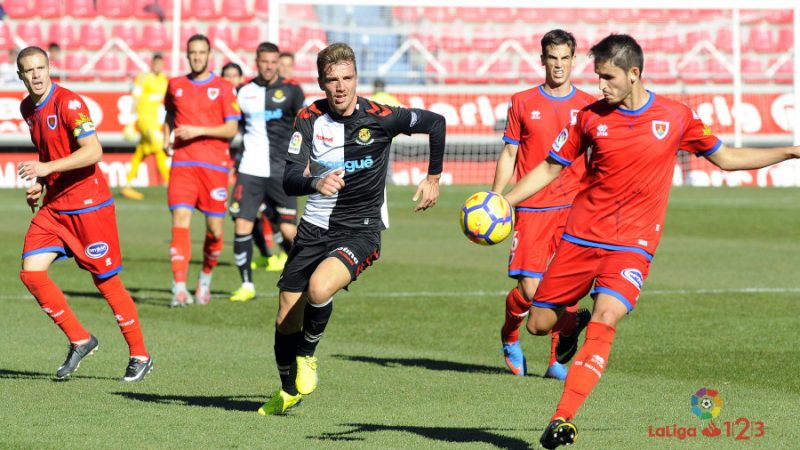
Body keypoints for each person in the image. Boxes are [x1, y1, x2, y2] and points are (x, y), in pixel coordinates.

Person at [501, 34, 800, 449]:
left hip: (632, 246)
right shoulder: (588, 118)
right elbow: (551, 167)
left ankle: (562, 418)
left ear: (634, 73)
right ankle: (571, 324)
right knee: (539, 324)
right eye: (598, 76)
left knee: (606, 317)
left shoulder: (676, 117)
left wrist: (790, 151)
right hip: (580, 239)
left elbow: (727, 158)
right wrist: (504, 201)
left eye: (608, 77)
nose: (600, 85)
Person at [258, 42, 445, 415]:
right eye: (332, 80)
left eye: (347, 78)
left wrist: (433, 177)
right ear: (321, 83)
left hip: (360, 229)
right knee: (285, 318)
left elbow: (435, 122)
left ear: (357, 78)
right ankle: (288, 390)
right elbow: (290, 179)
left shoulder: (381, 116)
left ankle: (308, 356)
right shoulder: (309, 118)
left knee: (319, 287)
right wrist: (316, 182)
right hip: (314, 227)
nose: (341, 87)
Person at [16, 46, 153, 382]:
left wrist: (46, 168)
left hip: (89, 206)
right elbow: (49, 152)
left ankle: (140, 354)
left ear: (50, 68)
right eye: (29, 70)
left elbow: (94, 151)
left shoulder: (70, 103)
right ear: (20, 75)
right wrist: (41, 183)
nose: (35, 75)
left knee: (105, 281)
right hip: (55, 207)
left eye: (40, 68)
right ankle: (80, 339)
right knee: (31, 273)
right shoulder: (27, 107)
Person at [492, 29, 596, 380]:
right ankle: (510, 335)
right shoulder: (522, 101)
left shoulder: (589, 105)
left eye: (565, 58)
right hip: (532, 207)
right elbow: (510, 152)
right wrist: (496, 199)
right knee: (530, 290)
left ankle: (555, 362)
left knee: (566, 289)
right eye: (553, 58)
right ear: (542, 60)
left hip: (575, 208)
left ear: (574, 60)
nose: (559, 65)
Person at [163, 34, 241, 307]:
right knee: (180, 219)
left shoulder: (223, 87)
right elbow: (170, 113)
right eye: (192, 52)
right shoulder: (175, 85)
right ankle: (179, 286)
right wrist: (166, 137)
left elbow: (231, 129)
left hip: (214, 167)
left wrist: (197, 131)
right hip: (183, 163)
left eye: (201, 52)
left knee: (215, 231)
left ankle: (205, 278)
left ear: (209, 55)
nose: (197, 57)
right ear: (187, 55)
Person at [228, 42, 305, 302]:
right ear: (257, 62)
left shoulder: (292, 90)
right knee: (242, 223)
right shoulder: (243, 91)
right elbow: (232, 126)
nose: (270, 67)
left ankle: (306, 276)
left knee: (288, 231)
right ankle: (246, 285)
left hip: (281, 170)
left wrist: (303, 160)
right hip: (250, 169)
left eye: (274, 62)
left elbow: (304, 126)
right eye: (265, 62)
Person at [121, 53, 170, 200]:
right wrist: (131, 121)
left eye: (161, 64)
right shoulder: (143, 78)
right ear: (152, 64)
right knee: (159, 148)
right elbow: (135, 98)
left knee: (141, 152)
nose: (159, 66)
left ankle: (127, 185)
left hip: (154, 121)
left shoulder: (163, 79)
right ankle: (170, 183)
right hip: (144, 120)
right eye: (156, 64)